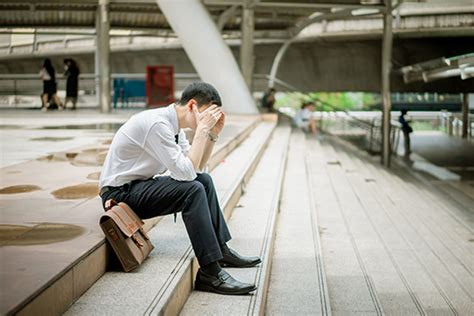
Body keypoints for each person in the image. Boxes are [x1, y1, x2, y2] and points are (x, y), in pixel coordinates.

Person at [99, 82, 261, 295]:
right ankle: (210, 273)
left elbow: (196, 168)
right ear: (193, 105)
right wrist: (202, 129)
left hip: (139, 185)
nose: (210, 119)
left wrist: (212, 133)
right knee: (193, 190)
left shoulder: (175, 127)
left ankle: (220, 252)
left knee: (203, 181)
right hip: (119, 194)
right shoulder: (158, 124)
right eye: (207, 114)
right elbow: (186, 174)